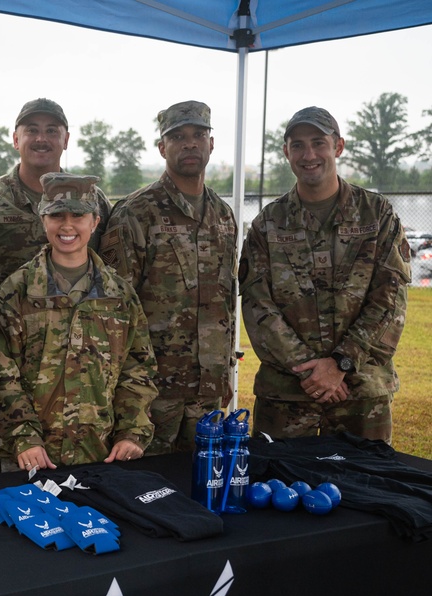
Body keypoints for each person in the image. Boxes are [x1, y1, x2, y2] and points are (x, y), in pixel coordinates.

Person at [239, 106, 410, 442]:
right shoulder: (268, 223)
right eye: (298, 145)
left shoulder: (377, 215)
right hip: (286, 394)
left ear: (339, 146)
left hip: (359, 391)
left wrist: (341, 364)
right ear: (286, 152)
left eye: (319, 142)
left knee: (365, 489)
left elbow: (389, 298)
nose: (309, 154)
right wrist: (309, 369)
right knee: (278, 489)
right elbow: (258, 305)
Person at [0, 173, 157, 471]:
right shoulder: (16, 292)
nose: (67, 225)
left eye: (78, 215)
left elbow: (137, 370)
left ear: (94, 221)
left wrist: (131, 433)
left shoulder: (119, 296)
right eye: (56, 215)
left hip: (99, 455)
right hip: (28, 458)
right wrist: (24, 437)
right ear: (43, 220)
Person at [98, 101, 237, 454]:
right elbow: (115, 308)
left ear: (211, 144)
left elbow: (225, 299)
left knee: (203, 483)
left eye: (198, 135)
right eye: (178, 137)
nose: (190, 144)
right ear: (162, 147)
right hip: (152, 392)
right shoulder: (136, 212)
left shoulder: (223, 215)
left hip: (208, 391)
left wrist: (223, 373)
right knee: (148, 488)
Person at [0, 98, 112, 298]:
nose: (41, 139)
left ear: (66, 140)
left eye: (52, 131)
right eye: (32, 130)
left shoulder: (93, 200)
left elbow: (111, 274)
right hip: (3, 325)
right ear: (16, 139)